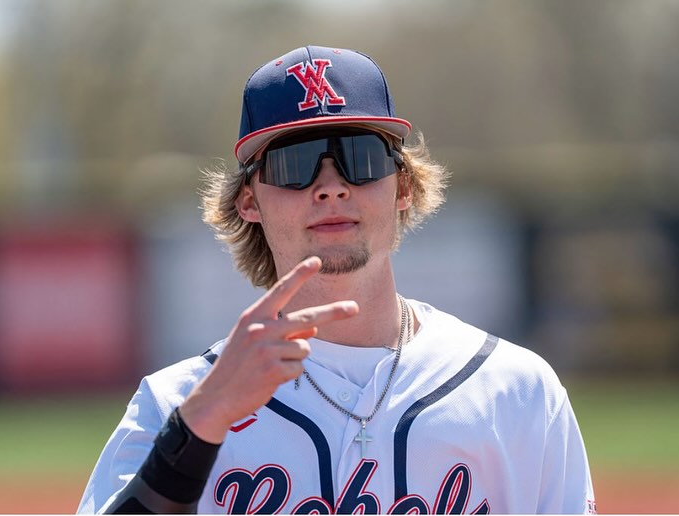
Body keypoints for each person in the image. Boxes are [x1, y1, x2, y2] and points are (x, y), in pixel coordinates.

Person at [77, 45, 596, 514]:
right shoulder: (177, 403)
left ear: (403, 188)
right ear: (249, 201)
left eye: (359, 158)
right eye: (294, 164)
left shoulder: (514, 390)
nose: (330, 187)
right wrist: (197, 427)